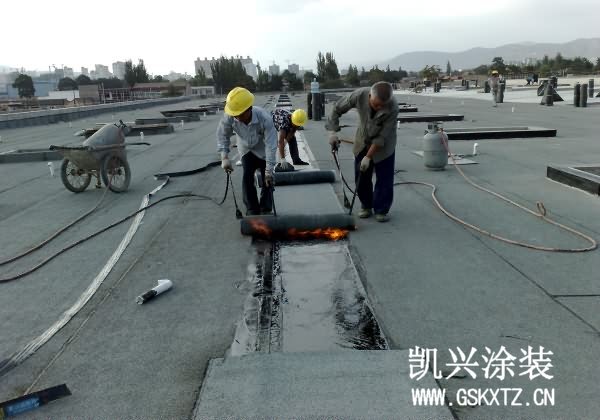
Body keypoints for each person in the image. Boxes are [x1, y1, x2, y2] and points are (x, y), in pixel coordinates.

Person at [326, 81, 399, 222]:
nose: (379, 108)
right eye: (376, 104)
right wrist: (332, 132)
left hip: (384, 145)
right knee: (361, 176)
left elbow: (382, 137)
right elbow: (337, 109)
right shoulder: (359, 95)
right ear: (370, 96)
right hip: (362, 140)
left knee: (384, 179)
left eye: (382, 106)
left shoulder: (393, 107)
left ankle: (381, 209)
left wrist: (368, 157)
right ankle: (366, 205)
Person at [216, 87, 277, 216]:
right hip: (245, 147)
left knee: (267, 177)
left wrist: (269, 169)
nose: (238, 118)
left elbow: (271, 145)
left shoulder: (264, 118)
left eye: (241, 114)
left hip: (262, 147)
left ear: (249, 108)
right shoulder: (230, 116)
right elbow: (223, 135)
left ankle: (266, 207)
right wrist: (224, 157)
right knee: (247, 175)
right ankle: (252, 209)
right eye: (236, 115)